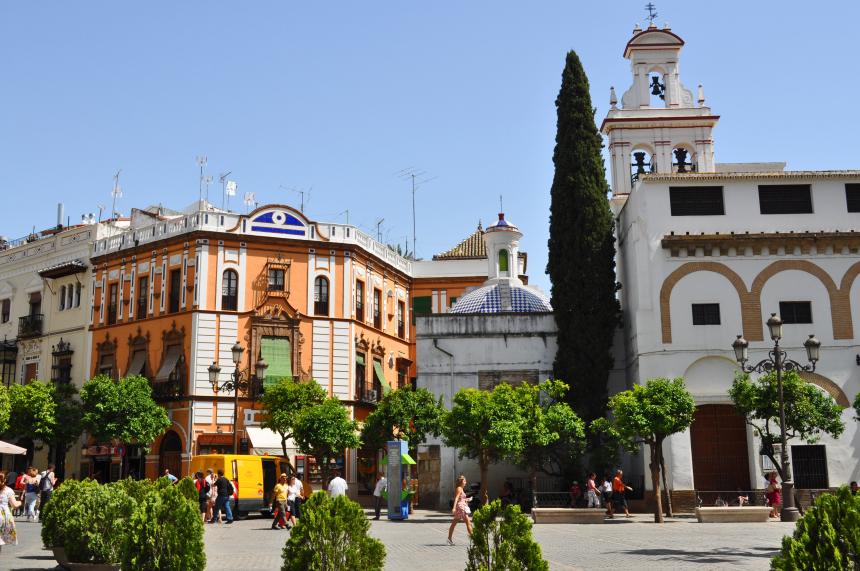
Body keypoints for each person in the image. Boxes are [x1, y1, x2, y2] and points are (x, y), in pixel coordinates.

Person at [447, 475, 473, 546]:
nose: (466, 482)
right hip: (461, 507)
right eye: (464, 481)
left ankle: (449, 538)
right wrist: (454, 508)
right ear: (461, 482)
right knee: (468, 522)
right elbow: (456, 498)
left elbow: (461, 499)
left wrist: (468, 499)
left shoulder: (461, 488)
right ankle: (474, 539)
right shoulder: (459, 488)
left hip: (461, 506)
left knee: (454, 523)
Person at [0, 473, 21, 552]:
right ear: (5, 480)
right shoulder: (8, 490)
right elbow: (14, 505)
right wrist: (20, 502)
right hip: (3, 516)